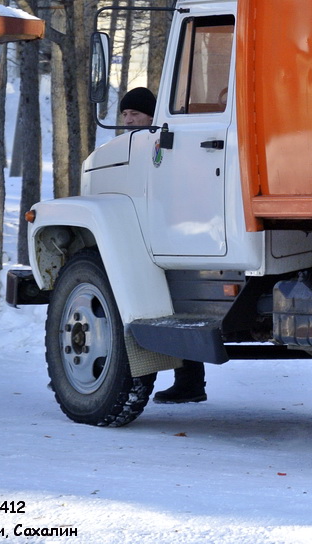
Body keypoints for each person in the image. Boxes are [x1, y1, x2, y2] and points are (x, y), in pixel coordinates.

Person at [118, 86, 208, 405]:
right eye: (125, 115)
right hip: (153, 233)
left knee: (162, 308)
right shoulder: (127, 145)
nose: (129, 120)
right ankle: (189, 382)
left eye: (136, 114)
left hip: (167, 234)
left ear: (152, 116)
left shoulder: (158, 143)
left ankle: (150, 382)